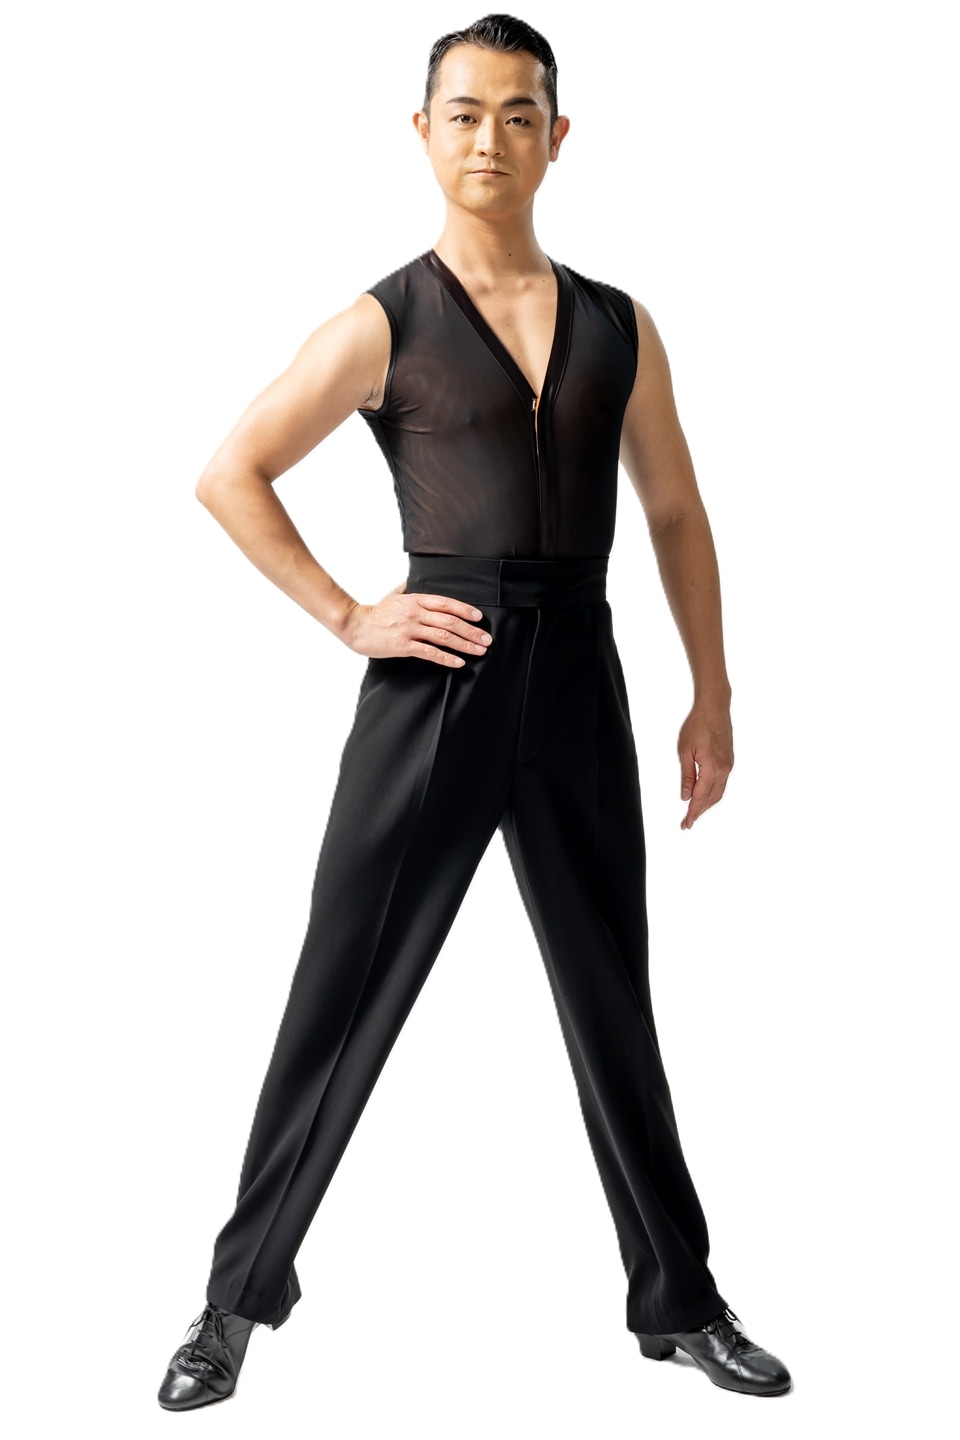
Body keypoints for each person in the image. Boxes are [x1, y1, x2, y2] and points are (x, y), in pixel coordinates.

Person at [157, 13, 792, 1410]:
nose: (490, 138)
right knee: (342, 991)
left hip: (579, 675)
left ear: (558, 137)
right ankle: (232, 1305)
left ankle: (680, 1303)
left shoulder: (620, 324)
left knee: (613, 996)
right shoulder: (381, 322)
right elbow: (229, 472)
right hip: (433, 681)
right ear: (423, 132)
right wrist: (350, 614)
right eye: (464, 113)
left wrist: (712, 693)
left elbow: (675, 511)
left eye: (518, 114)